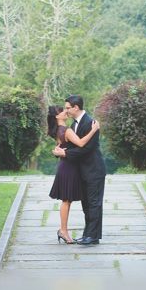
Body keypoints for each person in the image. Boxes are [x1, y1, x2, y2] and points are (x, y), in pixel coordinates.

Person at [54, 95, 107, 245]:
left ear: (76, 107)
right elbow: (73, 144)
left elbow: (87, 149)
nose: (67, 111)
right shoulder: (74, 125)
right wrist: (60, 149)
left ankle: (92, 236)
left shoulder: (90, 122)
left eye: (68, 108)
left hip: (94, 170)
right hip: (83, 170)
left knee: (94, 203)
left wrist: (65, 153)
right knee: (87, 204)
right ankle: (89, 235)